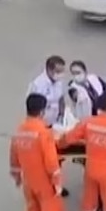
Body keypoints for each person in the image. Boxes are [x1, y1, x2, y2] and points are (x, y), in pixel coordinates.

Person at [9, 94, 64, 211]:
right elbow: (51, 161)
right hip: (44, 183)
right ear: (42, 112)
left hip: (28, 182)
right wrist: (57, 182)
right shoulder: (44, 133)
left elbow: (14, 157)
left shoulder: (19, 130)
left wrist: (17, 177)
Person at [27, 55, 70, 197]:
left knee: (56, 157)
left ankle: (56, 184)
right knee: (43, 158)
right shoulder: (38, 85)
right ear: (49, 70)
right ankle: (43, 185)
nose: (60, 75)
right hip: (41, 127)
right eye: (58, 71)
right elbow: (32, 107)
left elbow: (61, 98)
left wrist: (62, 115)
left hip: (54, 124)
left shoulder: (58, 82)